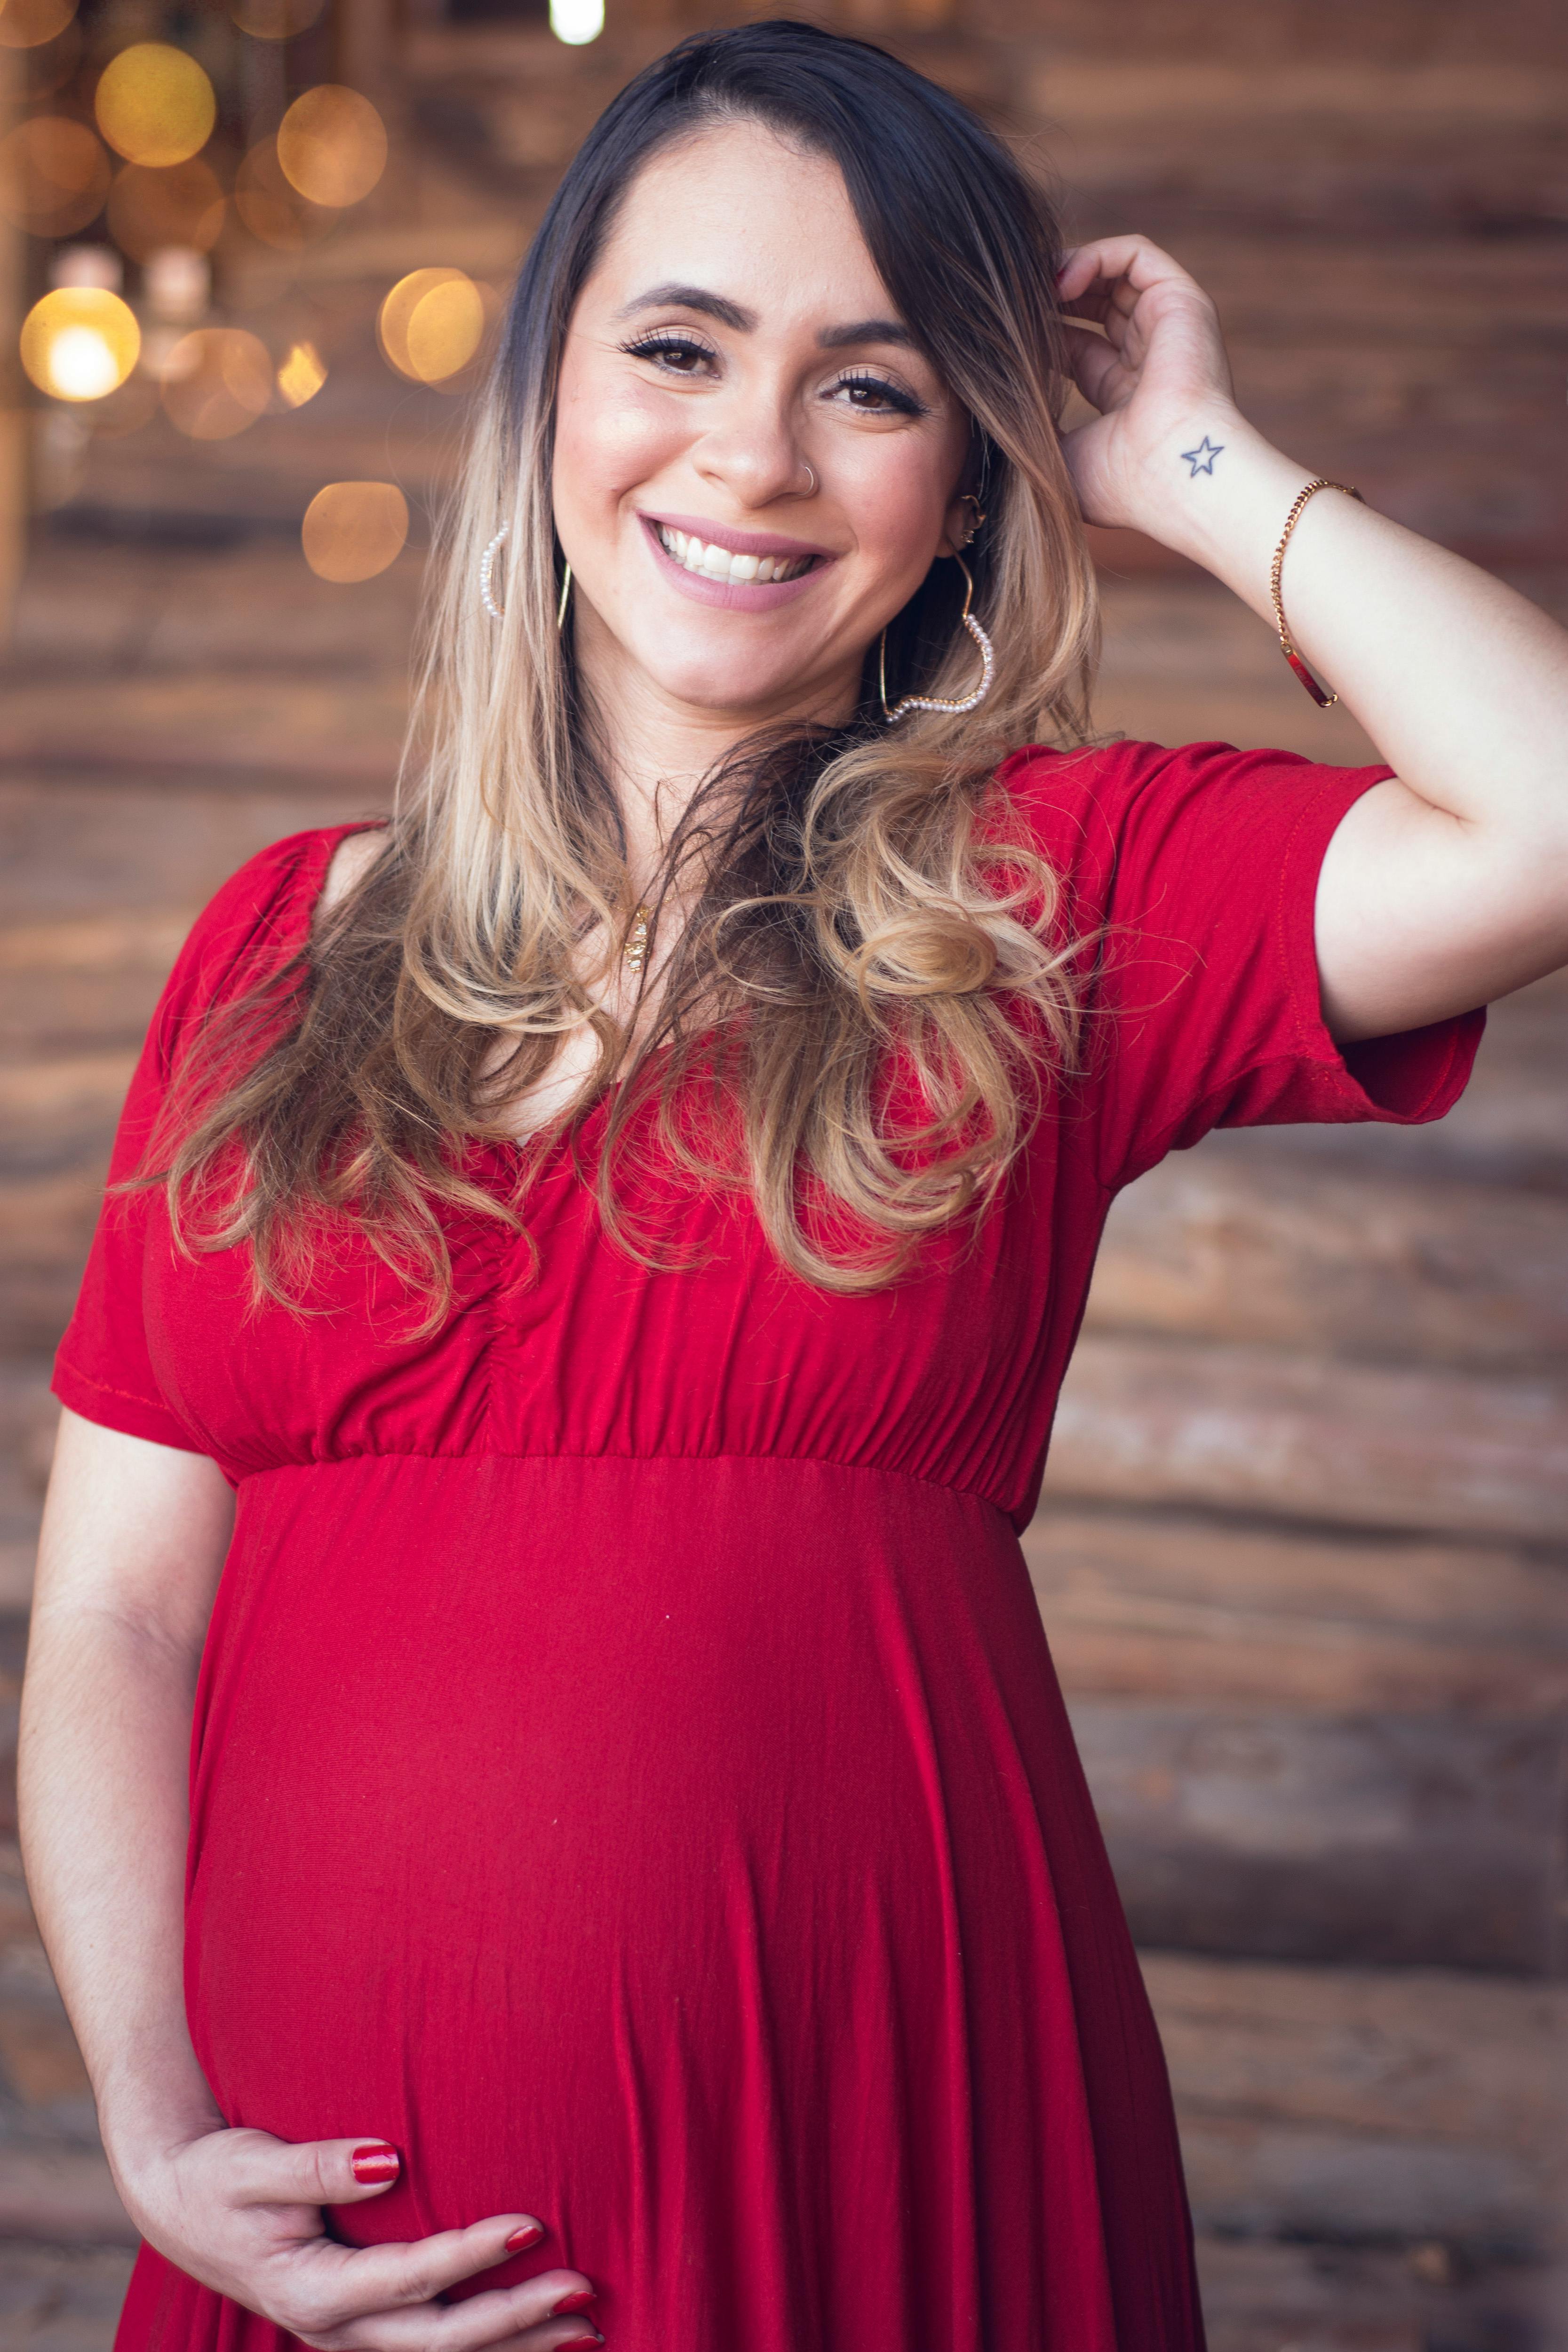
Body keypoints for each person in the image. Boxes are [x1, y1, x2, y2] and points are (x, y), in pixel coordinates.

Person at [18, 19, 1568, 2352]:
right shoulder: (274, 942)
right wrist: (148, 2122)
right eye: (679, 346)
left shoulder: (1048, 887)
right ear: (548, 385)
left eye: (872, 382)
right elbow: (120, 1616)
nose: (750, 449)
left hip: (887, 2155)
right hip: (309, 2255)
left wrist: (1189, 454)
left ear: (971, 473)